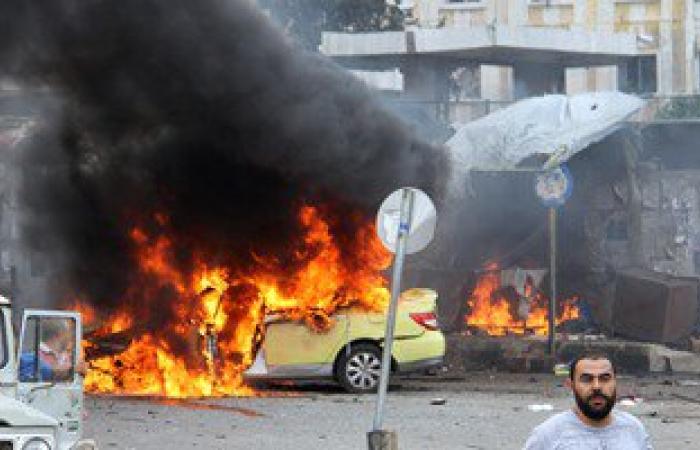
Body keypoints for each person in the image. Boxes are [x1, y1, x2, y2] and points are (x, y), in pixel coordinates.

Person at [524, 351, 653, 449]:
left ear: (615, 382)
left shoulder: (634, 429)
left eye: (605, 378)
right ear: (571, 385)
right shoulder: (548, 435)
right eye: (586, 379)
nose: (596, 386)